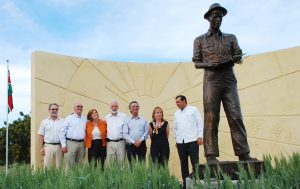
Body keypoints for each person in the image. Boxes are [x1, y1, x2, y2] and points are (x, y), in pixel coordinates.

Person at [192, 3, 255, 163]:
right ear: (208, 18)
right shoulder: (199, 40)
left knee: (235, 116)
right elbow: (197, 62)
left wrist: (235, 58)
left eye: (220, 16)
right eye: (215, 16)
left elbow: (238, 55)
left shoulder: (231, 37)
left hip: (228, 80)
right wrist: (210, 64)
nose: (218, 19)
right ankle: (211, 155)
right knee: (211, 117)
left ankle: (243, 153)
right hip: (211, 80)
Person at [173, 95, 203, 189]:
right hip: (180, 142)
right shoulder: (176, 113)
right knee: (183, 163)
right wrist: (177, 138)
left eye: (178, 102)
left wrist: (200, 136)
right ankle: (186, 184)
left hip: (192, 140)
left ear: (184, 101)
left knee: (195, 162)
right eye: (176, 102)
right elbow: (175, 128)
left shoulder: (193, 109)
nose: (177, 104)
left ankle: (196, 183)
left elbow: (200, 123)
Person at [60, 102, 86, 172]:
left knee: (80, 165)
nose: (79, 108)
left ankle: (77, 181)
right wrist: (63, 145)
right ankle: (68, 181)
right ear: (74, 108)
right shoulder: (69, 118)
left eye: (81, 106)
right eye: (78, 106)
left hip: (81, 144)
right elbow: (62, 132)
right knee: (69, 164)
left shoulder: (84, 119)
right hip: (70, 143)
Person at [38, 103, 64, 169]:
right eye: (52, 109)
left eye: (56, 109)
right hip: (48, 146)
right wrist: (41, 148)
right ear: (49, 110)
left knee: (59, 167)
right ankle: (47, 179)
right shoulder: (44, 122)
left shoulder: (63, 121)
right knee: (47, 167)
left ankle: (59, 179)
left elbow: (65, 134)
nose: (54, 110)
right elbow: (41, 135)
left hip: (59, 147)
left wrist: (64, 146)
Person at [105, 100, 127, 165]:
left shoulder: (124, 116)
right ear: (110, 107)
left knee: (121, 163)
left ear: (118, 107)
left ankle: (121, 175)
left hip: (121, 142)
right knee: (111, 164)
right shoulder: (106, 117)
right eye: (112, 106)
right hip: (110, 143)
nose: (114, 108)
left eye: (115, 106)